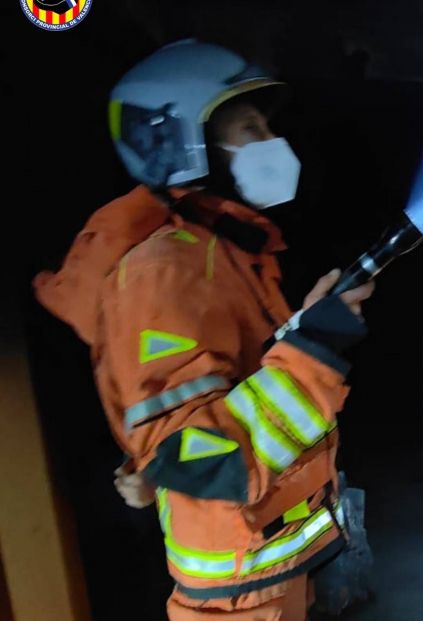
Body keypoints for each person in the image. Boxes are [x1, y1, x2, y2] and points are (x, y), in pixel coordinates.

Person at [34, 39, 374, 620]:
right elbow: (197, 457)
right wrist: (316, 349)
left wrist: (304, 332)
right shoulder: (165, 270)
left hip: (266, 562)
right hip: (237, 591)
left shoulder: (223, 251)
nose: (272, 141)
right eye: (247, 126)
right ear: (179, 143)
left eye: (267, 124)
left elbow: (232, 382)